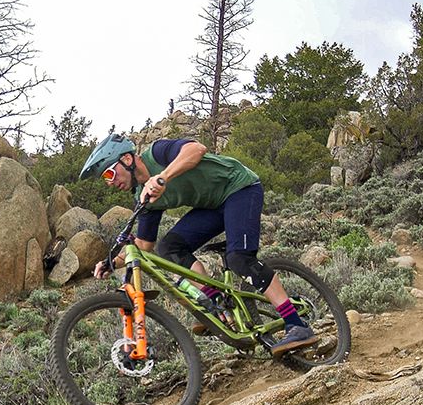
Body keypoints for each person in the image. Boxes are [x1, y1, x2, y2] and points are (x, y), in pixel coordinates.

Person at [78, 132, 318, 354]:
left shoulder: (158, 153)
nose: (109, 182)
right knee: (169, 248)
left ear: (128, 159)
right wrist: (113, 262)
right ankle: (216, 304)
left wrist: (162, 178)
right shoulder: (143, 196)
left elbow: (196, 149)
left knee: (239, 258)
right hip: (212, 206)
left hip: (239, 187)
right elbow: (144, 245)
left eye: (109, 174)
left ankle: (295, 323)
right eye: (105, 179)